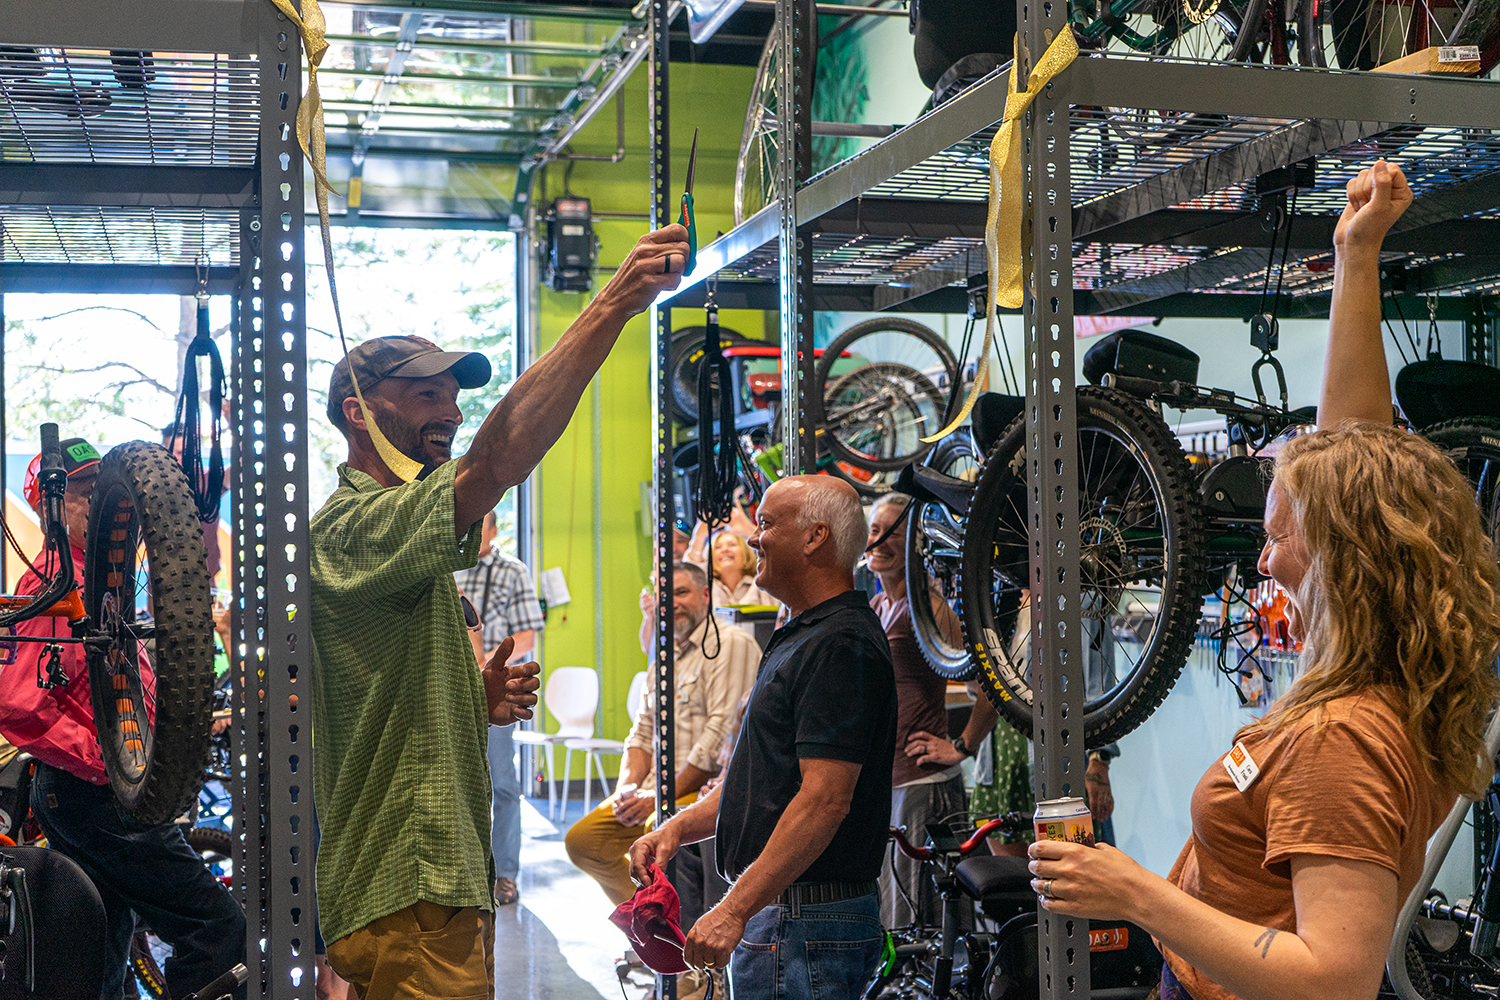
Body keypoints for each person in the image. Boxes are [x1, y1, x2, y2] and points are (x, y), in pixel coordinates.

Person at [1027, 161, 1500, 1000]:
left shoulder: (1341, 742)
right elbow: (1355, 454)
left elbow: (1336, 977)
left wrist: (1134, 892)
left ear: (1342, 561)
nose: (1262, 560)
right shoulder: (1390, 674)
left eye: (1279, 536)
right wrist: (1355, 256)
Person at [310, 223, 690, 999]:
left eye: (453, 393)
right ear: (359, 412)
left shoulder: (398, 540)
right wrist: (613, 303)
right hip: (405, 886)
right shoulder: (349, 528)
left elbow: (383, 698)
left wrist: (472, 698)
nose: (448, 409)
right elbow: (496, 463)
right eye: (425, 393)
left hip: (434, 885)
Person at [628, 476, 898, 998]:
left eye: (768, 523)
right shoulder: (806, 634)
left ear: (816, 537)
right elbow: (763, 785)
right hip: (788, 920)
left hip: (805, 924)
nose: (754, 538)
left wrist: (732, 910)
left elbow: (823, 801)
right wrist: (677, 830)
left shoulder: (840, 643)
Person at [0, 438, 246, 1000]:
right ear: (49, 508)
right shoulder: (52, 588)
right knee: (216, 928)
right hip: (93, 796)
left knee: (103, 940)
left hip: (88, 794)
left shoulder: (98, 584)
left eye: (99, 489)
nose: (98, 502)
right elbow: (16, 701)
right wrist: (108, 761)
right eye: (82, 492)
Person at [566, 562, 758, 917]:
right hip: (654, 792)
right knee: (584, 842)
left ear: (705, 595)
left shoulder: (731, 644)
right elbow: (641, 730)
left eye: (682, 593)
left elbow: (719, 738)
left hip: (701, 791)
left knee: (659, 828)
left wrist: (658, 798)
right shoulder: (665, 654)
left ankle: (675, 947)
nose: (672, 603)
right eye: (664, 596)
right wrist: (628, 788)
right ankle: (654, 928)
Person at [863, 492, 971, 927]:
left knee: (916, 922)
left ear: (916, 544)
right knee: (892, 913)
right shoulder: (877, 606)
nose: (882, 540)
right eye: (875, 530)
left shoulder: (929, 610)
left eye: (896, 532)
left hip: (923, 784)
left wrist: (961, 745)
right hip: (887, 784)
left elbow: (990, 680)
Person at [455, 509, 545, 908]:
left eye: (480, 523)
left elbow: (525, 636)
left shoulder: (513, 571)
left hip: (494, 695)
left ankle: (505, 874)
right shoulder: (445, 567)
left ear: (493, 528)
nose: (472, 531)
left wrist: (484, 668)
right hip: (449, 692)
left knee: (503, 786)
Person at [708, 530, 776, 609]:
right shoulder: (707, 587)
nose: (724, 549)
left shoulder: (760, 584)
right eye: (718, 547)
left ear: (745, 551)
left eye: (731, 545)